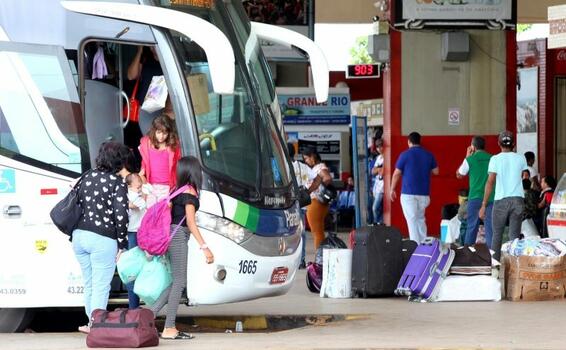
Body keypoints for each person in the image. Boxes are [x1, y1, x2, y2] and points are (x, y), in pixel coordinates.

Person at [150, 156, 214, 340]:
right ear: (194, 172)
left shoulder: (176, 190)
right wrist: (205, 247)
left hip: (171, 236)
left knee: (176, 281)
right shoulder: (190, 193)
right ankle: (169, 327)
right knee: (180, 282)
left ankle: (149, 315)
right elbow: (191, 223)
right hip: (178, 237)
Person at [72, 141, 131, 334]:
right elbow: (121, 215)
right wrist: (122, 244)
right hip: (102, 238)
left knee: (89, 282)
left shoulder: (87, 177)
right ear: (119, 161)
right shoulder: (116, 183)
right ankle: (95, 325)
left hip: (79, 236)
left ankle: (90, 323)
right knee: (100, 285)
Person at [479, 131, 528, 262]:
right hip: (517, 200)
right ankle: (513, 266)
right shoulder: (520, 158)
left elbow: (490, 181)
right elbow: (525, 175)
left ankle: (495, 266)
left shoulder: (495, 159)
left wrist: (483, 204)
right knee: (514, 237)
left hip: (501, 201)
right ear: (514, 144)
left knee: (497, 235)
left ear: (499, 143)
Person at [390, 132, 439, 243]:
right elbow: (436, 171)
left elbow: (396, 173)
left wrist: (392, 189)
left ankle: (415, 247)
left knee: (412, 220)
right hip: (424, 194)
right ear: (419, 141)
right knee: (420, 219)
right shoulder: (428, 155)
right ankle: (423, 245)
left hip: (408, 194)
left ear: (409, 142)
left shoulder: (405, 155)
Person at [456, 136, 494, 247]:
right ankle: (492, 256)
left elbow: (459, 175)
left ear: (473, 147)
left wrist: (467, 156)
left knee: (471, 226)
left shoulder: (470, 160)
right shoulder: (492, 158)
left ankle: (468, 253)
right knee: (490, 228)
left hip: (474, 197)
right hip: (490, 197)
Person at [139, 115, 181, 207]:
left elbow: (178, 166)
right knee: (150, 211)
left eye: (165, 133)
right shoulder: (146, 144)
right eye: (158, 132)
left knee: (164, 211)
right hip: (150, 186)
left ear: (169, 133)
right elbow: (144, 165)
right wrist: (141, 176)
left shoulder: (173, 146)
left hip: (167, 187)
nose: (161, 136)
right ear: (153, 131)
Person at [303, 148, 333, 250]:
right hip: (317, 203)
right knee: (318, 231)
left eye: (306, 158)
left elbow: (327, 178)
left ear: (313, 156)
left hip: (316, 202)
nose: (306, 161)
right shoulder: (317, 167)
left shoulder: (319, 167)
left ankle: (319, 257)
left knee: (317, 232)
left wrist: (318, 188)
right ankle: (321, 256)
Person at [124, 172, 147, 309]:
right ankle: (134, 307)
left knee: (134, 269)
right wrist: (143, 195)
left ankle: (134, 306)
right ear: (130, 184)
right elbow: (141, 205)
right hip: (133, 234)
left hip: (135, 233)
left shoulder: (129, 195)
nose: (140, 182)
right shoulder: (133, 195)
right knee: (134, 270)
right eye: (137, 180)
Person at [287, 143, 311, 269]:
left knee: (286, 233)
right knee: (301, 233)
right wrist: (308, 191)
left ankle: (289, 260)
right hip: (301, 204)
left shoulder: (283, 166)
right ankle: (301, 260)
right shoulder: (302, 166)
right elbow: (317, 178)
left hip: (287, 205)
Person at [371, 139, 385, 224]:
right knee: (377, 208)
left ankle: (378, 223)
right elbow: (372, 171)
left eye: (381, 146)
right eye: (377, 146)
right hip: (376, 186)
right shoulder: (379, 157)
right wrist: (379, 169)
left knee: (375, 208)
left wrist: (378, 169)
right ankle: (379, 223)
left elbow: (383, 171)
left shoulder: (387, 156)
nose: (379, 148)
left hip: (383, 187)